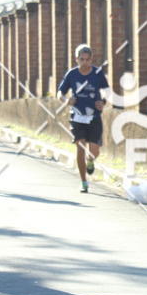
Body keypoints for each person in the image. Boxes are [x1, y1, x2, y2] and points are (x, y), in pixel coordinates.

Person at [57, 44, 109, 193]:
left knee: (94, 150)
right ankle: (83, 182)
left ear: (91, 59)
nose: (85, 62)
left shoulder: (97, 73)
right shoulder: (72, 74)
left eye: (88, 59)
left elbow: (106, 91)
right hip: (77, 117)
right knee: (80, 148)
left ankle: (91, 160)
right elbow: (60, 92)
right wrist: (66, 100)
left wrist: (103, 101)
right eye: (82, 59)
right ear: (76, 59)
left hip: (94, 116)